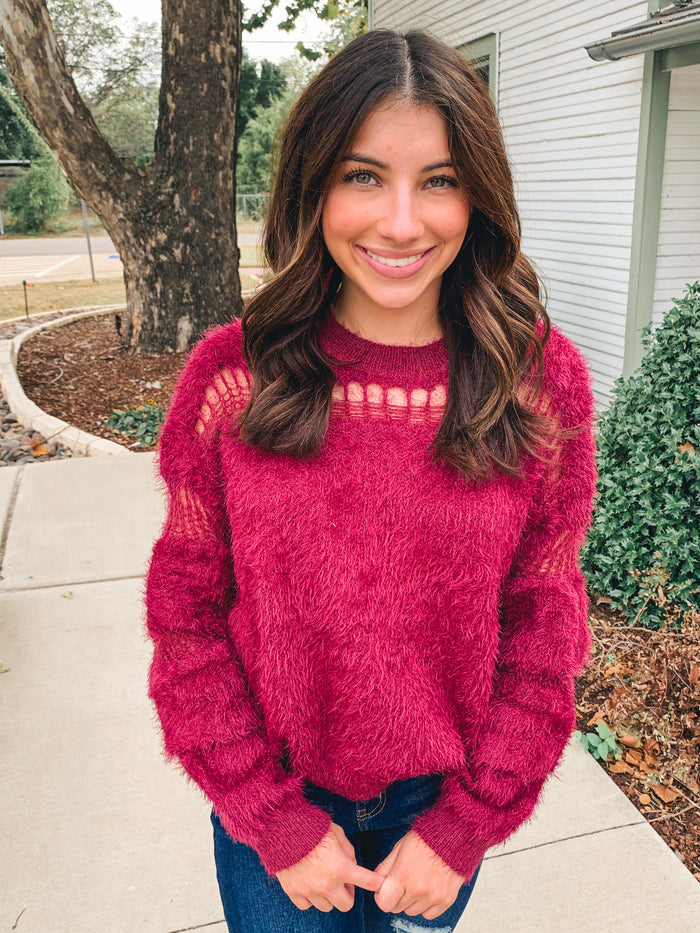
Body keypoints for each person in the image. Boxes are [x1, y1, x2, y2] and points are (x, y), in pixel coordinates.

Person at [145, 28, 597, 933]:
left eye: (438, 179)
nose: (401, 222)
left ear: (479, 194)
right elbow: (187, 619)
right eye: (362, 176)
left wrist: (466, 824)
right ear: (311, 187)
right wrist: (270, 816)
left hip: (437, 821)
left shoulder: (538, 384)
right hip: (274, 820)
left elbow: (544, 626)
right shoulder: (234, 379)